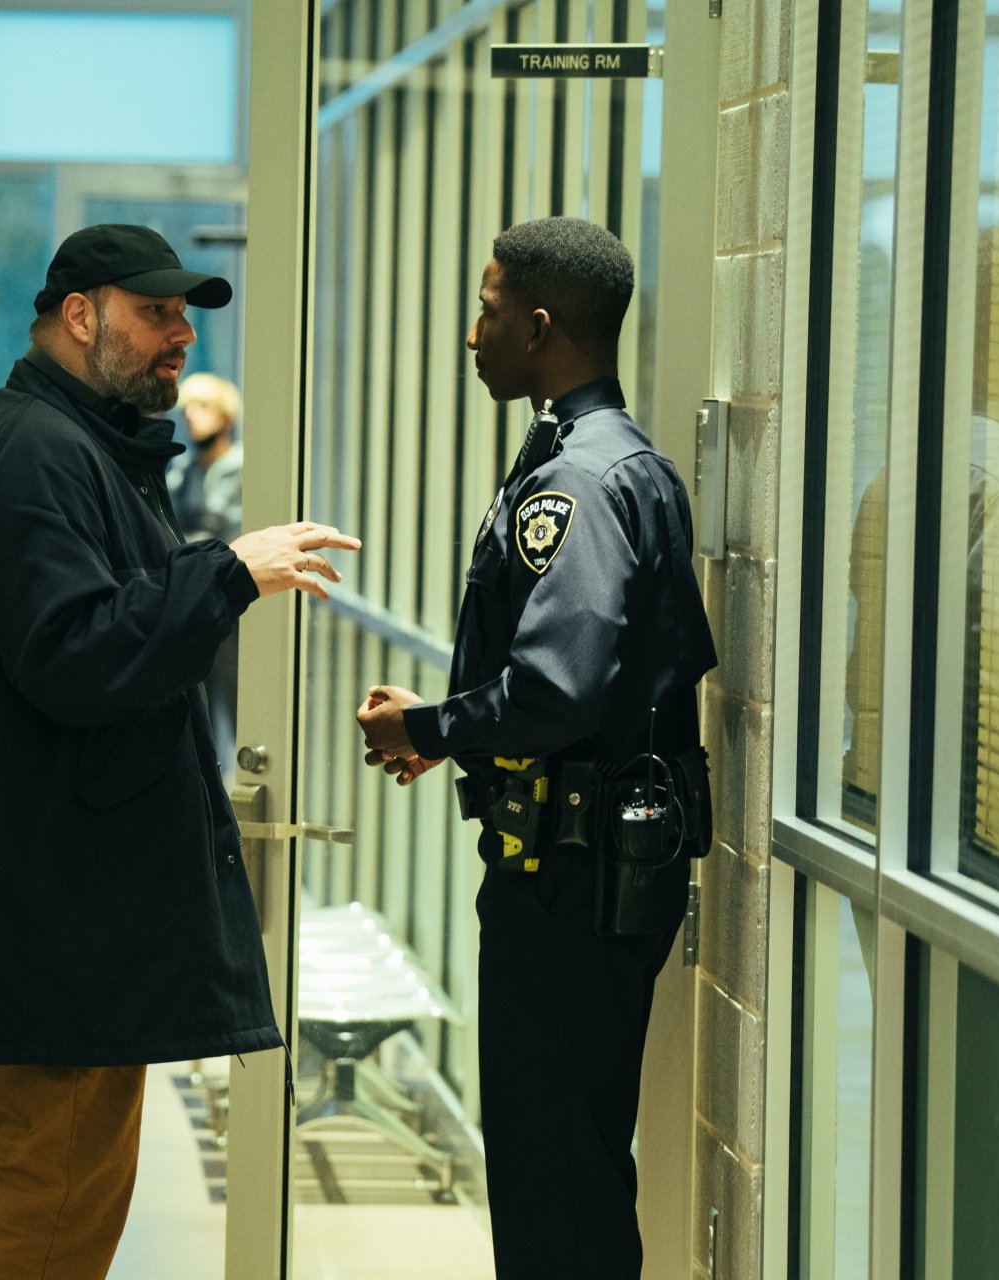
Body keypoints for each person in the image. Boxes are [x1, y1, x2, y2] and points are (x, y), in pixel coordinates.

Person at [0, 224, 358, 1278]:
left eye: (186, 316)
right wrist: (228, 572)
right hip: (60, 923)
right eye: (155, 314)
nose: (181, 337)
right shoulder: (41, 453)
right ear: (79, 314)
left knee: (65, 1204)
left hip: (71, 916)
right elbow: (76, 655)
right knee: (47, 1206)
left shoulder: (79, 445)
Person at [354, 217, 716, 1279]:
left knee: (556, 1178)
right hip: (572, 864)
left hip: (567, 882)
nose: (476, 332)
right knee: (562, 1164)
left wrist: (428, 725)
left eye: (490, 307)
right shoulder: (587, 457)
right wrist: (465, 732)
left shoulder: (582, 483)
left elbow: (556, 689)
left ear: (542, 324)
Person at [166, 372, 244, 773]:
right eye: (189, 409)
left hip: (231, 596)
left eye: (204, 408)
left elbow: (233, 535)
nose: (193, 417)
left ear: (226, 416)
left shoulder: (241, 470)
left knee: (231, 696)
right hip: (190, 594)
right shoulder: (183, 472)